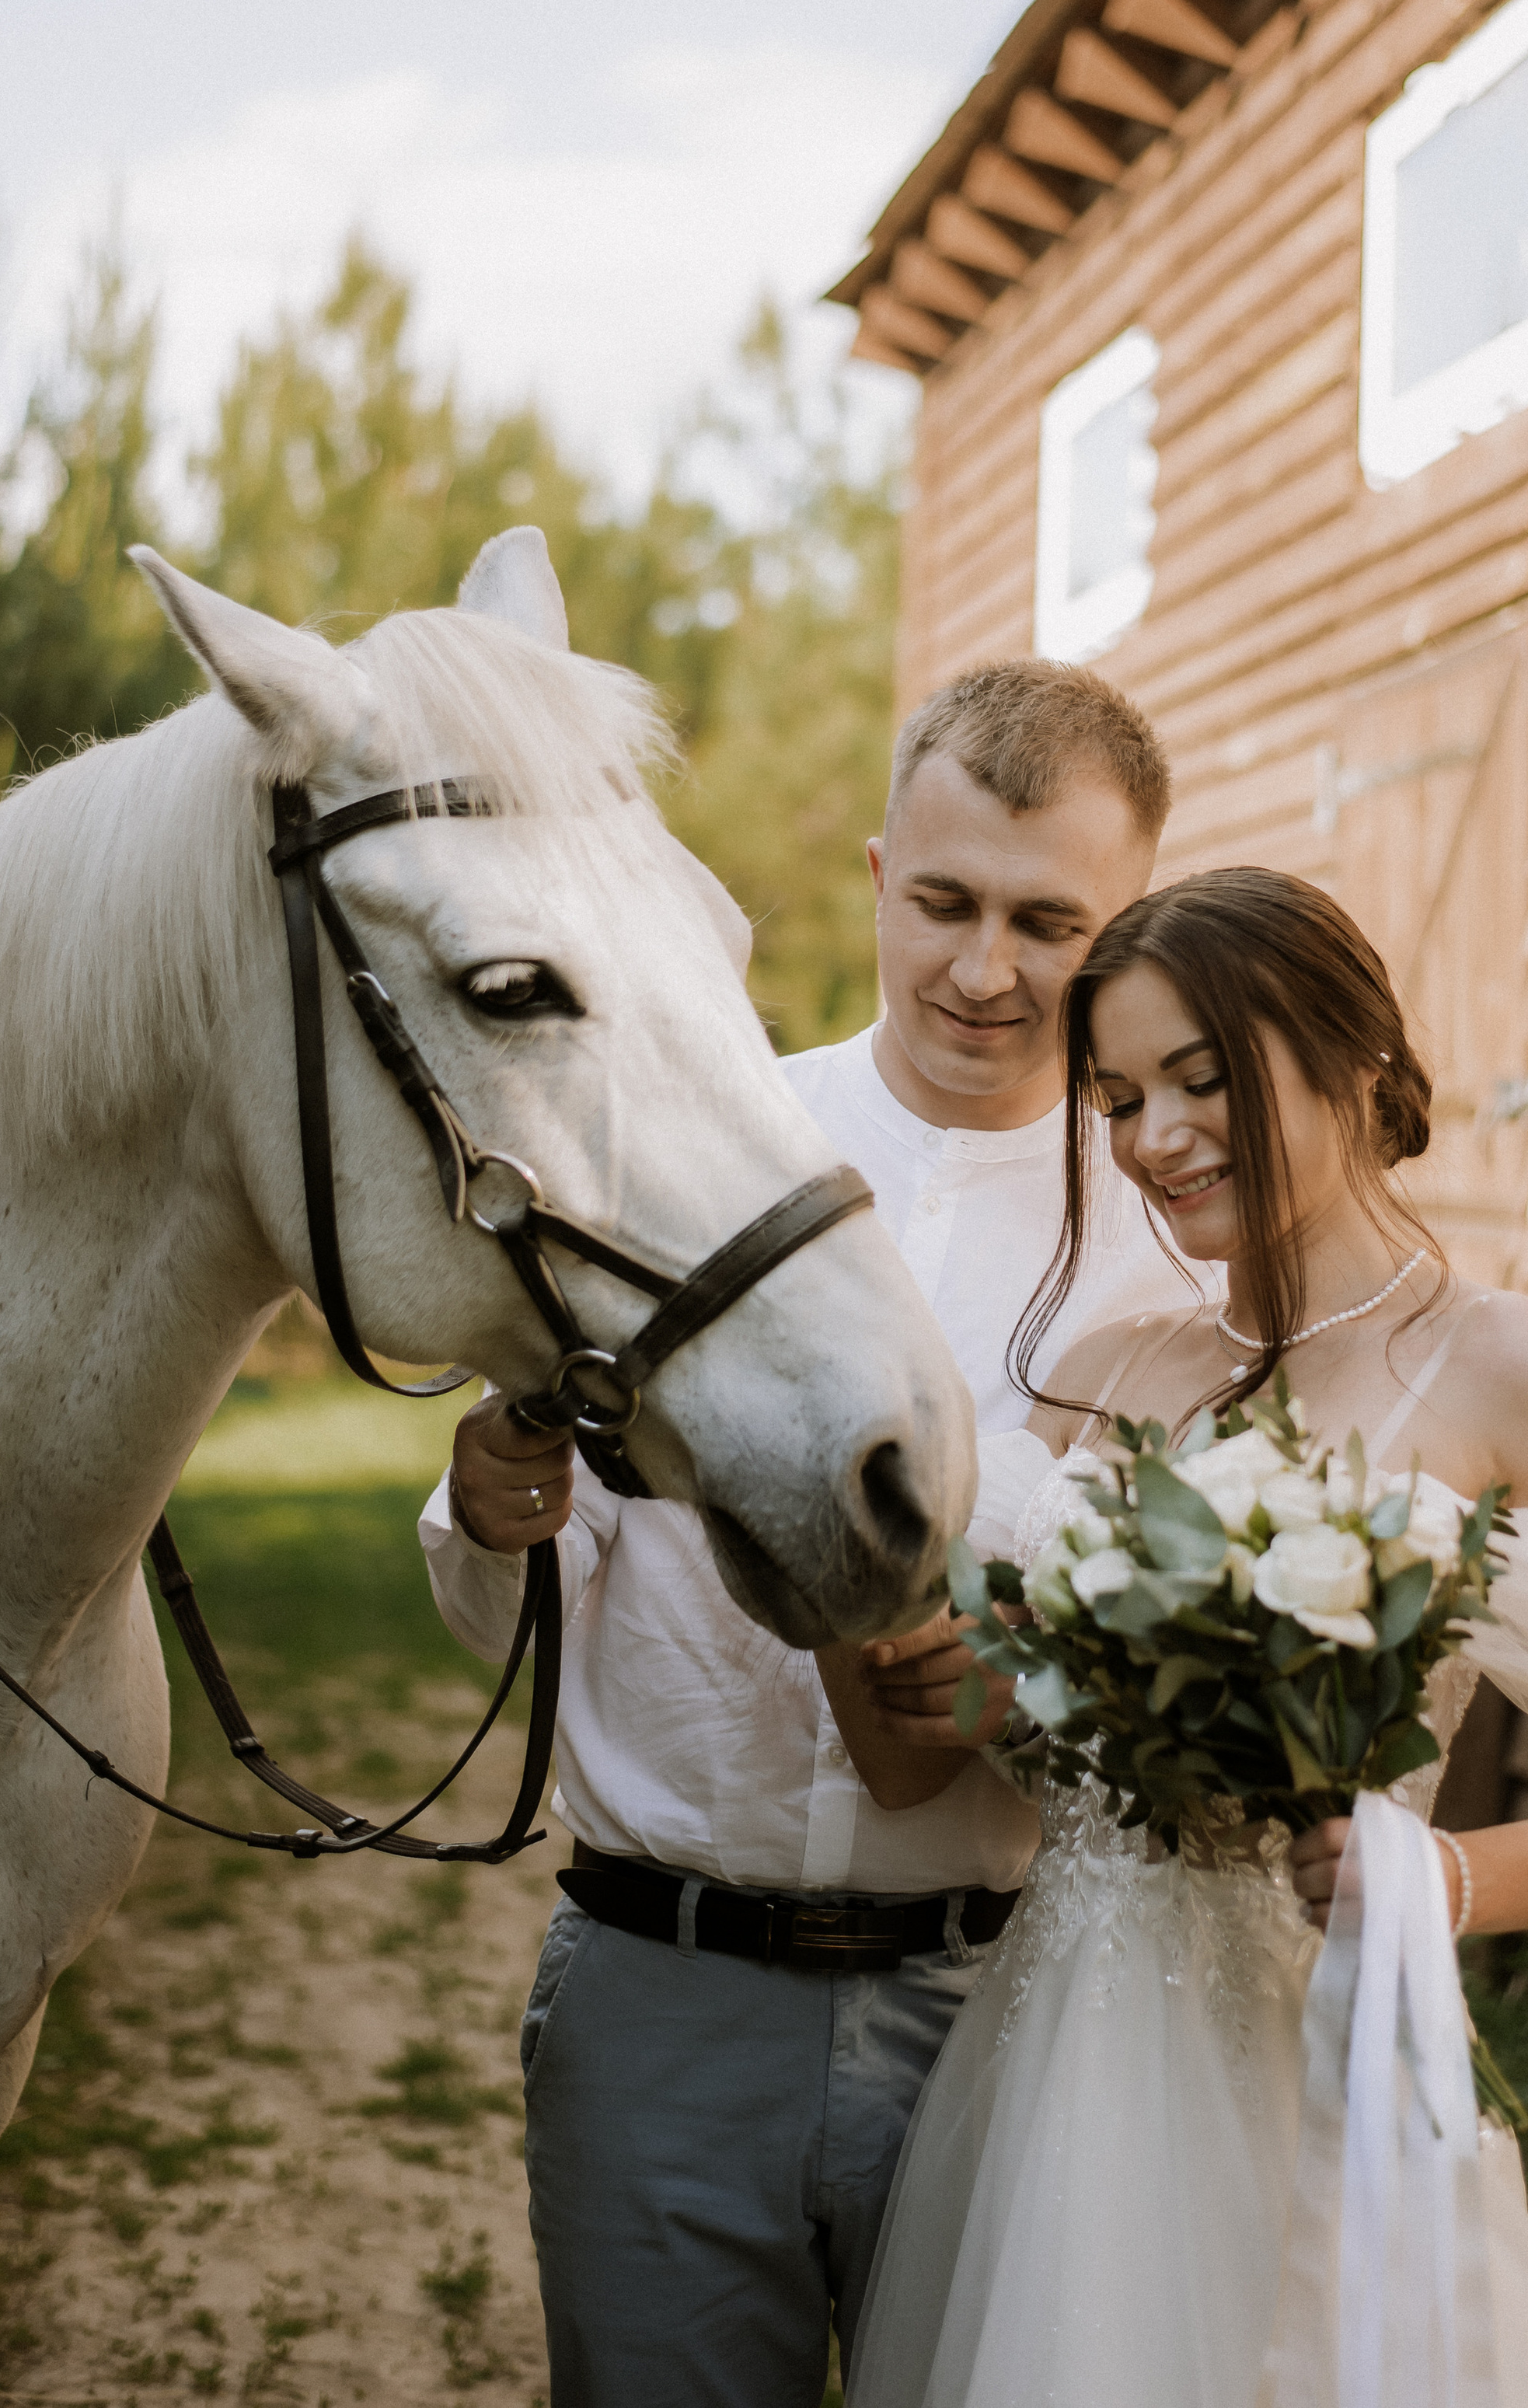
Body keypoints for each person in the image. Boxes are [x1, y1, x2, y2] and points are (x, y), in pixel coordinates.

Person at [847, 867, 1528, 2408]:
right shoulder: (1106, 1370)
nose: (1154, 1138)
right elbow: (1008, 1730)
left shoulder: (1512, 1371)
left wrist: (1439, 1877)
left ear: (1350, 1052)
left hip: (1323, 2047)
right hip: (1062, 2063)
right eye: (1120, 1096)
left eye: (1203, 1077)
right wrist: (990, 1695)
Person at [419, 661, 1212, 2408]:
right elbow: (502, 1623)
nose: (981, 969)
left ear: (1123, 918)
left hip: (1009, 2022)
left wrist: (1046, 1693)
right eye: (940, 902)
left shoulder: (1171, 1265)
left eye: (1044, 920)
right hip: (661, 1998)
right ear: (874, 876)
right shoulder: (671, 1149)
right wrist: (487, 1516)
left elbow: (1196, 1705)